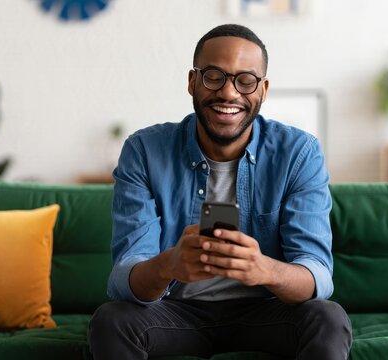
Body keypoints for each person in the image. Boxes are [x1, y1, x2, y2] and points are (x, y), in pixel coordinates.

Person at [88, 24, 352, 360]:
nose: (229, 94)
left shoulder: (299, 152)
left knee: (328, 318)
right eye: (214, 76)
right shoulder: (144, 150)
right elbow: (125, 276)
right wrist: (169, 264)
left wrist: (264, 269)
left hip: (266, 315)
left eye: (246, 80)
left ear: (263, 89)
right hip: (175, 314)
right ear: (192, 82)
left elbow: (316, 274)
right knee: (112, 320)